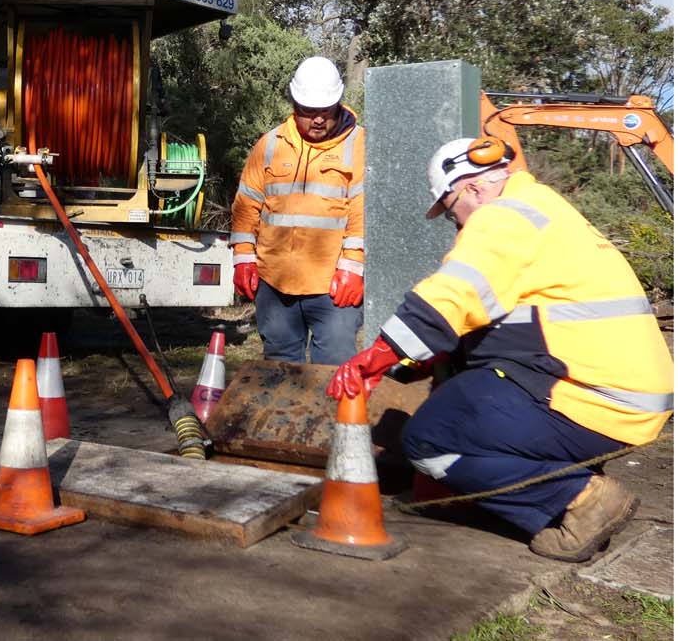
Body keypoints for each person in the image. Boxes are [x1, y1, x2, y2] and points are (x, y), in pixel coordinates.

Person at [327, 137, 674, 562]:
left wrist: (373, 359)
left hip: (596, 400)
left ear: (473, 188)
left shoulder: (504, 216)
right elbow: (490, 319)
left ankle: (580, 499)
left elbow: (452, 296)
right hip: (623, 395)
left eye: (452, 209)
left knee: (429, 439)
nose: (456, 224)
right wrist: (408, 364)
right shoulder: (543, 207)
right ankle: (547, 484)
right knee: (461, 384)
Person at [230, 56, 365, 365]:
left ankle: (332, 417)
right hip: (275, 283)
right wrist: (243, 258)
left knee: (333, 368)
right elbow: (247, 204)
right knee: (279, 369)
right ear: (294, 103)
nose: (317, 120)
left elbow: (363, 211)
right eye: (308, 112)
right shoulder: (270, 144)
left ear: (338, 103)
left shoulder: (359, 146)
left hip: (333, 287)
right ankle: (282, 416)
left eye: (325, 112)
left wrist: (354, 267)